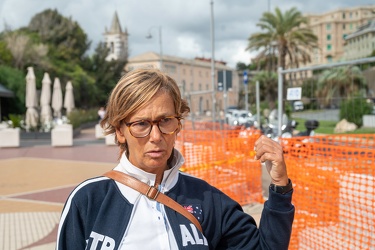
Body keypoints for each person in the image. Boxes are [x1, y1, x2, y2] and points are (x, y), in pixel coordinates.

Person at [56, 68, 294, 249]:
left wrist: (280, 187)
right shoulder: (88, 200)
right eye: (141, 124)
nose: (156, 136)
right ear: (120, 131)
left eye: (165, 121)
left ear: (178, 124)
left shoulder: (207, 199)